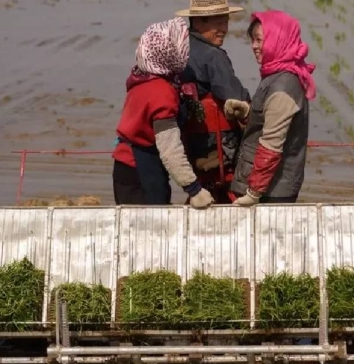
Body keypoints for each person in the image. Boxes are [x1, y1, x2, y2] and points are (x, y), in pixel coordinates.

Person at [111, 17, 214, 208]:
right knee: (149, 228)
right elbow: (169, 148)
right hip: (140, 170)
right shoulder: (162, 93)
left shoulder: (140, 78)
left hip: (125, 166)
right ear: (170, 52)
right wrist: (194, 189)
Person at [227, 10, 316, 206]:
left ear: (278, 39)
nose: (254, 46)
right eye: (253, 40)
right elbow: (269, 120)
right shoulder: (275, 74)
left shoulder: (283, 86)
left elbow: (271, 144)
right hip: (267, 184)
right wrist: (247, 113)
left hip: (273, 190)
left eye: (259, 40)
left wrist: (254, 193)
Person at [174, 0, 251, 203]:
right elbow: (235, 95)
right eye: (218, 23)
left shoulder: (179, 50)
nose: (224, 29)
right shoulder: (213, 56)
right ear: (198, 22)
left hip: (189, 144)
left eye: (225, 22)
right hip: (217, 147)